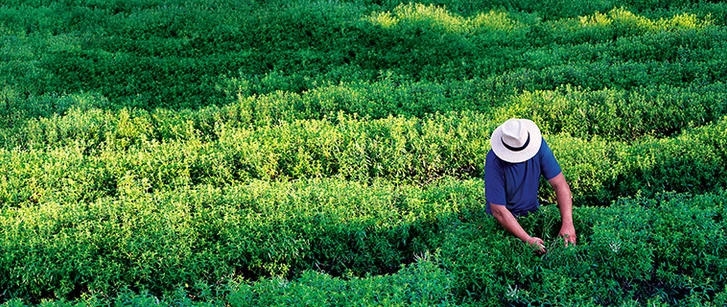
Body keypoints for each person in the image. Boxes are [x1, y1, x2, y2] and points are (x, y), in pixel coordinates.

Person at [484, 118, 576, 253]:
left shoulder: (539, 146)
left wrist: (568, 223)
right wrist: (527, 239)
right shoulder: (494, 161)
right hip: (503, 223)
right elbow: (498, 211)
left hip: (532, 213)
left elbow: (560, 185)